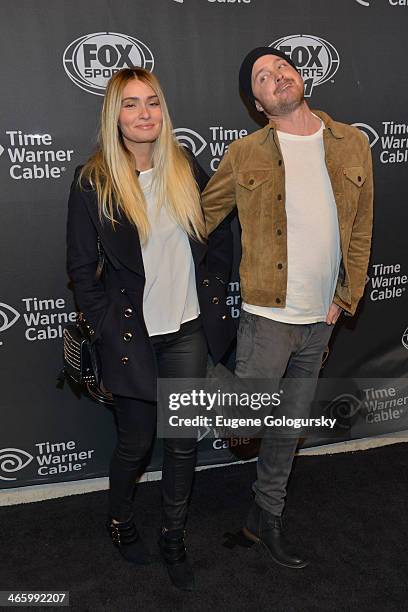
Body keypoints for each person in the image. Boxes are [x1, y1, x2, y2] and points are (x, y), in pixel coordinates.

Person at [201, 47, 373, 569]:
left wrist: (347, 298)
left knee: (287, 429)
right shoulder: (245, 152)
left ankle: (264, 519)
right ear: (257, 102)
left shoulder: (352, 143)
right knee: (244, 421)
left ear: (300, 78)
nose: (277, 75)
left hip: (320, 321)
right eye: (262, 76)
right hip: (266, 317)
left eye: (282, 67)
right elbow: (201, 218)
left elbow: (361, 228)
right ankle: (184, 362)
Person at [66, 67, 235, 591]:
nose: (145, 114)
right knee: (136, 445)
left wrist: (209, 290)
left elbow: (216, 234)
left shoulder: (185, 167)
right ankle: (120, 521)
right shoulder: (94, 181)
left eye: (153, 102)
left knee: (182, 443)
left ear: (164, 110)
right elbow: (80, 269)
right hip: (131, 338)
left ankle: (173, 535)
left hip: (186, 331)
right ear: (114, 115)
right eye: (132, 103)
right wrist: (104, 329)